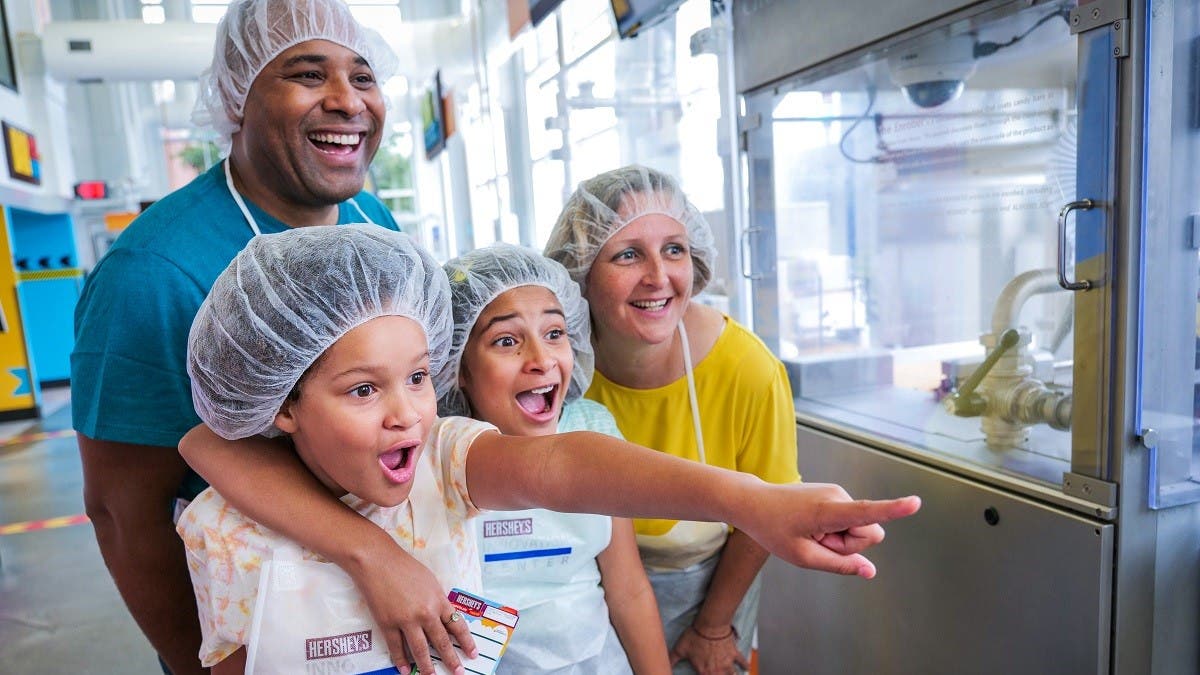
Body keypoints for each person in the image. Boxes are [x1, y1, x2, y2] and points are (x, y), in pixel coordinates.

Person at [177, 228, 921, 673]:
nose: (407, 413)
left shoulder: (445, 460)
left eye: (414, 377)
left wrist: (749, 498)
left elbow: (567, 463)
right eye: (363, 390)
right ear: (280, 405)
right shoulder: (228, 531)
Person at [68, 2, 456, 673]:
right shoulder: (153, 275)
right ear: (236, 99)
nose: (347, 101)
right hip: (256, 619)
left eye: (363, 78)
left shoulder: (371, 220)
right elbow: (123, 512)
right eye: (308, 74)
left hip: (399, 605)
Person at [543, 164, 798, 675]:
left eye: (674, 249)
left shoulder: (745, 369)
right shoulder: (553, 369)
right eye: (628, 254)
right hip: (590, 608)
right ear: (581, 270)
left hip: (714, 606)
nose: (659, 278)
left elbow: (766, 515)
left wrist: (713, 627)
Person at [436, 243, 670, 674]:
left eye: (555, 333)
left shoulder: (594, 428)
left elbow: (629, 590)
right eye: (507, 341)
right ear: (459, 368)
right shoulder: (437, 457)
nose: (542, 360)